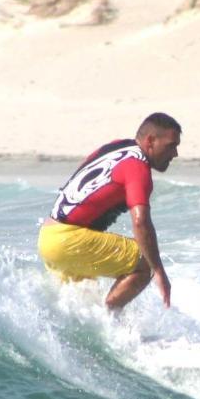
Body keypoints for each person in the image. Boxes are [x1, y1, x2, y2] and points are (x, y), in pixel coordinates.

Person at [38, 112, 181, 310]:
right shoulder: (137, 168)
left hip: (48, 237)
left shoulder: (116, 146)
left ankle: (97, 334)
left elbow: (81, 171)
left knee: (84, 304)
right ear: (150, 140)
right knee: (145, 262)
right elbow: (141, 222)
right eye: (171, 146)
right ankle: (110, 322)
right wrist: (158, 271)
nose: (175, 154)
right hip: (68, 240)